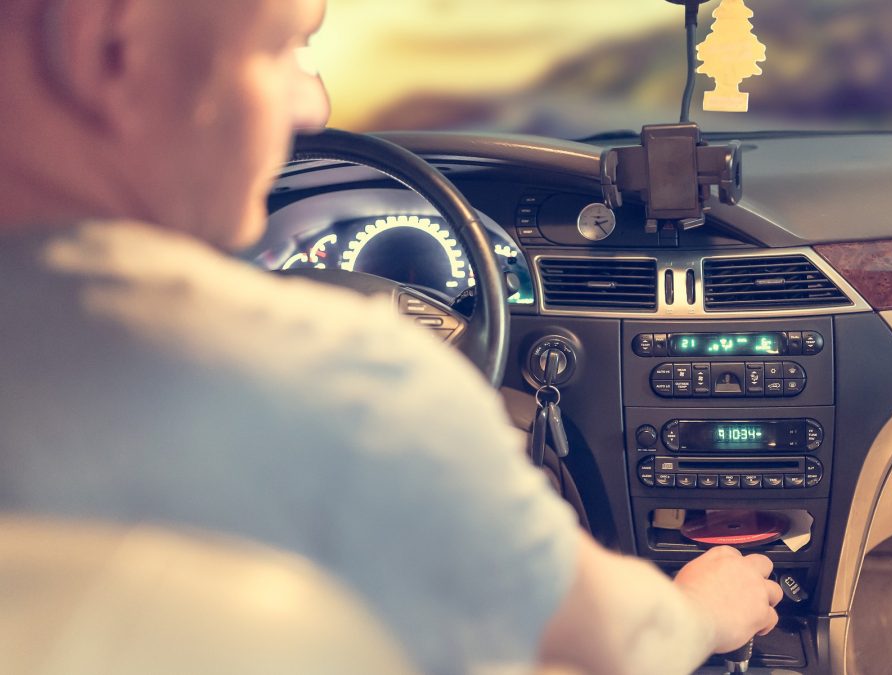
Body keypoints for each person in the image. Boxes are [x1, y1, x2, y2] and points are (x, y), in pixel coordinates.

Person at [0, 1, 782, 673]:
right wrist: (704, 614)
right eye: (285, 48)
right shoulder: (351, 385)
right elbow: (617, 642)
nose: (315, 105)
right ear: (112, 50)